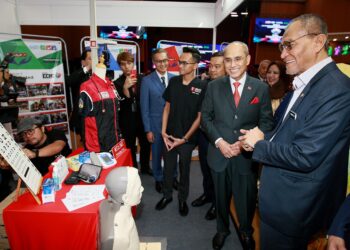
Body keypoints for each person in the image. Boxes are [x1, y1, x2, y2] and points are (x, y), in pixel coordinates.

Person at [239, 14, 350, 249]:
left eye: (290, 45)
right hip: (278, 203)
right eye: (282, 46)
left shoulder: (336, 89)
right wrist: (259, 139)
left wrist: (260, 145)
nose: (282, 54)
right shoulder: (303, 83)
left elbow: (305, 155)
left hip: (294, 209)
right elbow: (283, 135)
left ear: (319, 42)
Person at [201, 41, 274, 250]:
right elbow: (205, 118)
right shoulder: (214, 86)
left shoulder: (260, 88)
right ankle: (222, 230)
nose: (232, 64)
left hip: (246, 157)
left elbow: (267, 122)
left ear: (248, 60)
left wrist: (247, 142)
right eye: (228, 60)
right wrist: (219, 142)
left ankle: (246, 231)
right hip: (219, 154)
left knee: (247, 200)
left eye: (238, 59)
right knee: (221, 199)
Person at [155, 47, 206, 217]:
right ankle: (167, 195)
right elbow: (166, 108)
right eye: (179, 62)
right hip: (169, 136)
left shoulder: (202, 86)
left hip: (187, 140)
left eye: (184, 63)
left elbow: (199, 118)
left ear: (195, 65)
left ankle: (182, 199)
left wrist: (184, 139)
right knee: (168, 169)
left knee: (185, 170)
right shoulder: (174, 82)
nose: (180, 65)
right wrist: (163, 132)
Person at [191, 51, 226, 221]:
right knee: (205, 169)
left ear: (226, 68)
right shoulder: (206, 85)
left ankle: (217, 204)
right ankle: (207, 195)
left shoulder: (230, 89)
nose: (212, 70)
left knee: (217, 173)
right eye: (211, 66)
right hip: (204, 136)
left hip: (222, 140)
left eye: (217, 66)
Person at [140, 48, 177, 193]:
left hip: (173, 125)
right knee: (156, 154)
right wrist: (148, 129)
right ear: (154, 62)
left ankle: (173, 176)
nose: (163, 64)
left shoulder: (175, 78)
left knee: (173, 152)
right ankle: (159, 178)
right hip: (155, 125)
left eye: (165, 60)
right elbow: (145, 108)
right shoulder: (147, 81)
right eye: (159, 61)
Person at [114, 52, 150, 172]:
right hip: (127, 120)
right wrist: (125, 89)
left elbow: (146, 99)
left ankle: (145, 167)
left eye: (129, 63)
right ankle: (133, 167)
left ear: (133, 64)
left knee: (145, 144)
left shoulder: (142, 79)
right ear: (119, 66)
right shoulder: (117, 83)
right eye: (123, 64)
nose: (127, 67)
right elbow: (120, 104)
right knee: (130, 146)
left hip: (142, 118)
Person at [79, 57, 121, 152]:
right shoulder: (86, 87)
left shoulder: (111, 85)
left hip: (114, 141)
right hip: (97, 145)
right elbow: (84, 118)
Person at [100, 167, 143, 250]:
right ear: (125, 198)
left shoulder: (104, 204)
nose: (142, 189)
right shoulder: (120, 238)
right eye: (138, 189)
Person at [66, 50, 92, 135]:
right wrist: (87, 68)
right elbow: (69, 81)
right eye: (90, 58)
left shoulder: (101, 74)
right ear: (83, 62)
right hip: (82, 116)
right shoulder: (80, 74)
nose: (94, 61)